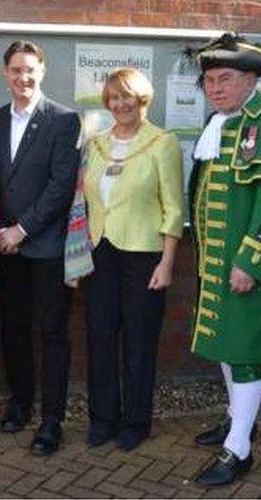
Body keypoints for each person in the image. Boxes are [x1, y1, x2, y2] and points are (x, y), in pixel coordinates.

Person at [185, 33, 261, 487]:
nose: (215, 88)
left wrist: (251, 263)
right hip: (217, 262)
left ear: (250, 80)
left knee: (247, 357)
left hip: (250, 268)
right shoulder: (221, 123)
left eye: (225, 79)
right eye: (209, 81)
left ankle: (238, 450)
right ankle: (239, 420)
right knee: (225, 344)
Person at [64, 67, 183, 452]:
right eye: (113, 98)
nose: (120, 104)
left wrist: (167, 263)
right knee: (99, 338)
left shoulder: (162, 143)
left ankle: (136, 421)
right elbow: (82, 203)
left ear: (142, 99)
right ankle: (103, 419)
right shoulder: (95, 144)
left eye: (126, 96)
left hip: (145, 256)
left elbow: (173, 209)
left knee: (139, 341)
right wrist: (76, 257)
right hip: (101, 253)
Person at [0, 40, 80, 456]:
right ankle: (20, 403)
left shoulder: (63, 119)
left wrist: (21, 229)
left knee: (53, 333)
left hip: (44, 247)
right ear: (5, 73)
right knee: (14, 327)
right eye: (16, 70)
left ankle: (52, 420)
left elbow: (61, 187)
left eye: (30, 70)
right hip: (3, 249)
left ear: (42, 72)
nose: (23, 77)